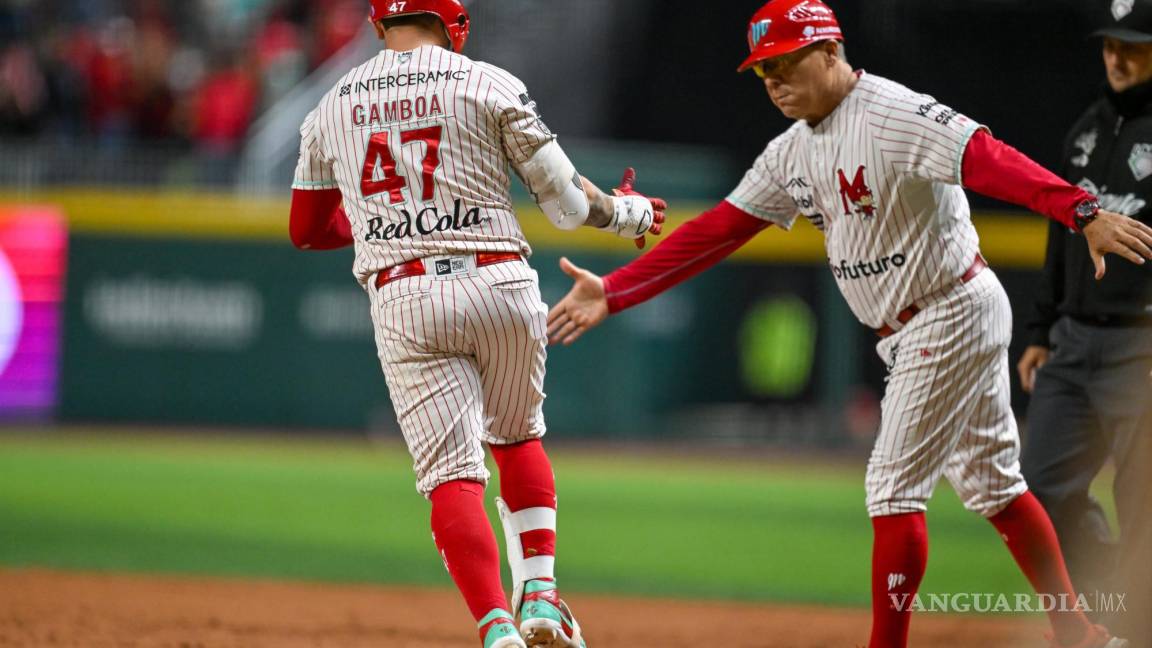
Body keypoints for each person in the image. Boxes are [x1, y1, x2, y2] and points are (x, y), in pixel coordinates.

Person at [545, 1, 1152, 647]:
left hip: (946, 311)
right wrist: (614, 290)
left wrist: (1081, 210)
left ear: (830, 51)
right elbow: (717, 231)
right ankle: (1083, 634)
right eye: (762, 72)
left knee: (892, 491)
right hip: (928, 319)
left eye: (785, 64)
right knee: (996, 486)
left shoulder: (895, 114)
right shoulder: (791, 151)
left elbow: (988, 158)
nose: (773, 82)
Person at [287, 2, 665, 647]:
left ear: (379, 25)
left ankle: (496, 627)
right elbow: (571, 207)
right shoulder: (488, 81)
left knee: (452, 477)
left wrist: (385, 221)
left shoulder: (330, 105)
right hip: (499, 280)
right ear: (452, 20)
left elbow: (305, 230)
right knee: (517, 438)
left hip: (404, 294)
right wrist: (626, 214)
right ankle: (541, 597)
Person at [1017, 2, 1152, 643]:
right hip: (1073, 341)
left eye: (1132, 45)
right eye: (1109, 44)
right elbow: (1059, 240)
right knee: (1039, 488)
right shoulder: (1084, 132)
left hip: (1143, 345)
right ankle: (1112, 606)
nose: (1116, 57)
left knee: (1145, 502)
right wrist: (1040, 331)